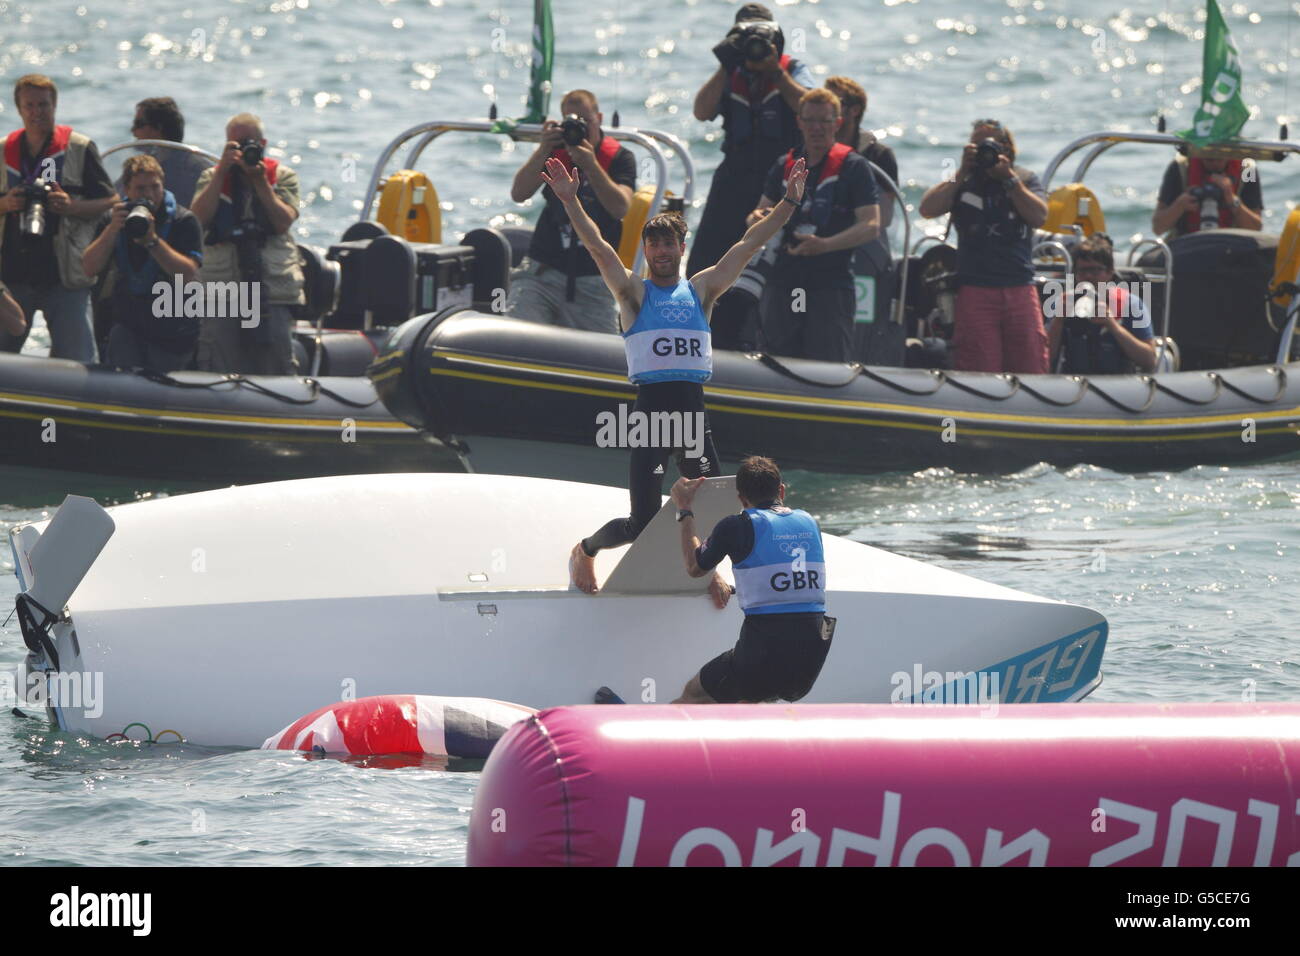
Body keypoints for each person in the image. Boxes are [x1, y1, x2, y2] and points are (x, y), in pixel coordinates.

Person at [549, 152, 810, 595]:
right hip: (650, 414)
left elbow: (748, 245)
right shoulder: (632, 292)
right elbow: (598, 246)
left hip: (692, 414)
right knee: (641, 523)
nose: (661, 252)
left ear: (681, 248)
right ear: (647, 250)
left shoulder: (703, 289)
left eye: (669, 244)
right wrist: (571, 201)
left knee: (714, 506)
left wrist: (788, 202)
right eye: (654, 245)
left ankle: (705, 571)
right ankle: (585, 550)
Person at [689, 3, 814, 350]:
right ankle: (702, 329)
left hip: (778, 180)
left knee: (764, 258)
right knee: (711, 254)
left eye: (761, 35)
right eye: (747, 37)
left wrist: (776, 71)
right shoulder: (730, 72)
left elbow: (809, 106)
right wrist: (725, 64)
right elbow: (701, 112)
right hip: (734, 177)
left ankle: (758, 335)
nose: (755, 45)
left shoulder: (792, 69)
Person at [669, 456, 832, 704]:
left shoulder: (737, 526)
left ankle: (657, 742)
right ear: (782, 491)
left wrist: (684, 509)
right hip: (812, 655)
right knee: (753, 701)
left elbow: (695, 567)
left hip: (764, 651)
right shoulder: (811, 522)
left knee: (695, 693)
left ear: (741, 499)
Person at [750, 88, 880, 362]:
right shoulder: (784, 165)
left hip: (830, 285)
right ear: (799, 122)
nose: (817, 128)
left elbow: (871, 225)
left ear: (838, 123)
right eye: (810, 120)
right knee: (778, 355)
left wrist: (824, 246)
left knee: (827, 359)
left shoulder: (855, 168)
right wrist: (759, 219)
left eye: (824, 121)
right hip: (785, 282)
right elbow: (754, 215)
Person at [0, 74, 117, 361]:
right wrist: (6, 204)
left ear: (55, 105)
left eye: (44, 105)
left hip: (65, 274)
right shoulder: (4, 150)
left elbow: (111, 200)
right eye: (30, 105)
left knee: (79, 359)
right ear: (19, 108)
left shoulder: (78, 147)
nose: (37, 112)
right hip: (13, 272)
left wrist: (71, 207)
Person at [919, 119, 1050, 374]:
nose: (984, 150)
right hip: (976, 288)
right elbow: (927, 209)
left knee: (1030, 363)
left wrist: (1009, 179)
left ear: (1006, 148)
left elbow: (1040, 216)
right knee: (979, 367)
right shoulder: (961, 180)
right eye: (977, 144)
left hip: (1019, 287)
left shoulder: (1023, 179)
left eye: (990, 144)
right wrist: (961, 173)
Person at [507, 89, 636, 333]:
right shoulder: (554, 154)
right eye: (571, 121)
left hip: (594, 280)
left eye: (585, 121)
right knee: (516, 335)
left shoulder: (619, 157)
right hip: (541, 273)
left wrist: (591, 164)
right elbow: (519, 193)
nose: (579, 128)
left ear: (598, 118)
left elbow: (620, 208)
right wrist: (543, 148)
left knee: (602, 354)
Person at [189, 113, 304, 375]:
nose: (244, 150)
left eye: (249, 143)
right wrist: (221, 174)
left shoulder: (283, 177)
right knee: (217, 363)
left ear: (262, 143)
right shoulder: (211, 177)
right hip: (222, 287)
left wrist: (260, 182)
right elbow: (197, 219)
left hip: (272, 287)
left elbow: (282, 222)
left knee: (276, 363)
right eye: (236, 145)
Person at [82, 154, 203, 373]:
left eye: (154, 187)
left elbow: (188, 275)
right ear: (126, 190)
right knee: (121, 377)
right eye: (140, 189)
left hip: (172, 324)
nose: (149, 195)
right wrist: (111, 230)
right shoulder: (114, 218)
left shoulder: (183, 220)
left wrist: (152, 241)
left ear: (163, 185)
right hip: (128, 322)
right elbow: (89, 267)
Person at [1046, 234, 1157, 375]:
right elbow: (1044, 359)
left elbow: (1149, 359)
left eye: (1095, 270)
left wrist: (1113, 326)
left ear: (1110, 272)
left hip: (1118, 385)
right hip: (1073, 384)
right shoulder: (1063, 303)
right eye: (1082, 270)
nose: (1088, 276)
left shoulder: (1131, 304)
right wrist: (1058, 322)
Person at [824, 76, 897, 240]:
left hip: (862, 242)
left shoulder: (880, 156)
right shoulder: (814, 151)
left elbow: (884, 218)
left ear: (855, 110)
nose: (827, 109)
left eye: (835, 103)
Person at [115, 97, 210, 209]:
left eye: (138, 124)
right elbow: (116, 196)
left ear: (158, 128)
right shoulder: (144, 166)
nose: (133, 130)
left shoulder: (196, 170)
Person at [1152, 151, 1263, 240]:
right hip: (1187, 244)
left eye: (1220, 158)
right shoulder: (1180, 167)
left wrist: (1233, 201)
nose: (1215, 164)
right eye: (1209, 159)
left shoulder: (1248, 170)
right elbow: (1158, 228)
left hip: (1232, 247)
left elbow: (1255, 229)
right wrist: (1179, 205)